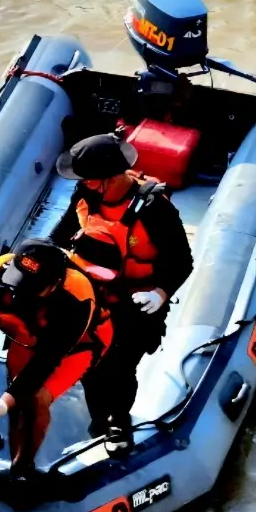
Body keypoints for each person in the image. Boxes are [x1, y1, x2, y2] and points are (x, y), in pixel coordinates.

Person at [51, 133, 193, 452]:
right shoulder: (84, 193)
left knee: (119, 364)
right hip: (91, 293)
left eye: (90, 180)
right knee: (89, 362)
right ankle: (98, 418)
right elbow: (58, 236)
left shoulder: (154, 208)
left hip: (137, 303)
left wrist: (160, 293)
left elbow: (183, 262)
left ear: (113, 178)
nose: (84, 184)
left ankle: (118, 420)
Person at [0, 239, 112, 482]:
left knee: (34, 397)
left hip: (75, 347)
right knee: (17, 404)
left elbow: (46, 361)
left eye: (34, 286)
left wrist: (2, 403)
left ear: (54, 284)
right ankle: (14, 460)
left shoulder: (76, 299)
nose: (23, 291)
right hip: (25, 337)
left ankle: (23, 468)